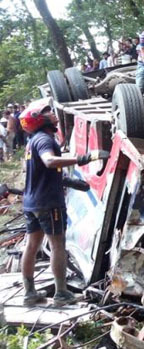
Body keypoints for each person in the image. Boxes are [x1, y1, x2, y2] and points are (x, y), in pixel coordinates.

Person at [19, 100, 109, 306]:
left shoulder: (33, 141)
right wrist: (84, 158)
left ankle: (29, 293)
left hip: (32, 202)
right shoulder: (45, 140)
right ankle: (61, 293)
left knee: (32, 245)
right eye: (47, 112)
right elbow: (49, 161)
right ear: (39, 119)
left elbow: (43, 172)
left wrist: (70, 181)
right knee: (58, 244)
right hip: (49, 203)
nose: (53, 113)